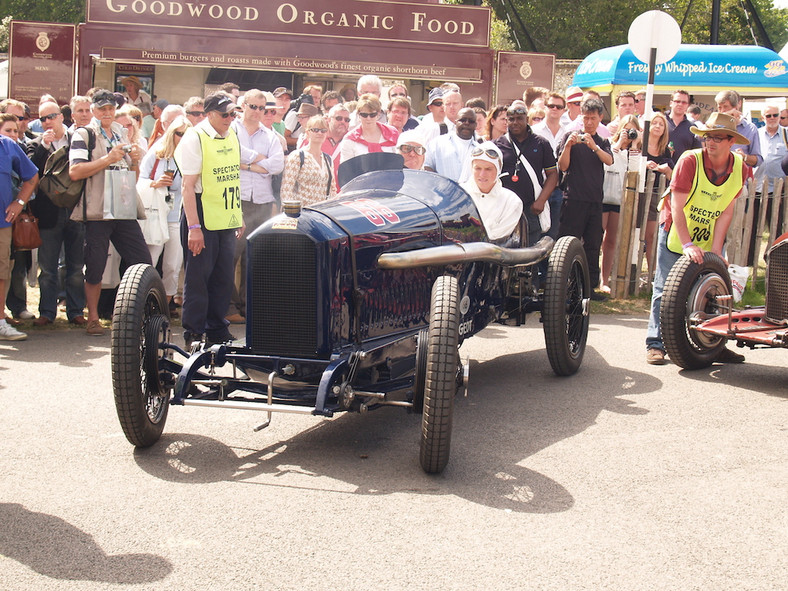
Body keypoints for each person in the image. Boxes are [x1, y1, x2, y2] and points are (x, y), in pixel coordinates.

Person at [645, 112, 752, 365]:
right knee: (665, 289)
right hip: (676, 228)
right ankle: (656, 344)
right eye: (707, 137)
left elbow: (726, 210)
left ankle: (714, 342)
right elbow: (677, 205)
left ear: (731, 141)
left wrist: (715, 253)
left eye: (717, 137)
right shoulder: (689, 161)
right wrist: (687, 244)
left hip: (708, 228)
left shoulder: (740, 168)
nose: (710, 142)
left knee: (713, 291)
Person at [68, 89, 152, 336]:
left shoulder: (119, 131)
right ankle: (93, 318)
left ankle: (139, 314)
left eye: (110, 108)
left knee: (142, 260)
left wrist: (134, 160)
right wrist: (107, 159)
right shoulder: (84, 134)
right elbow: (75, 171)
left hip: (123, 208)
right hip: (97, 210)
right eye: (102, 108)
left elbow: (131, 175)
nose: (107, 113)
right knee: (95, 266)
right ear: (93, 109)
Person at [175, 92, 250, 348]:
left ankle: (217, 328)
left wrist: (237, 214)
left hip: (225, 215)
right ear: (209, 114)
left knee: (223, 276)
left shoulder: (232, 134)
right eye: (224, 114)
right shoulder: (194, 137)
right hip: (201, 215)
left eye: (232, 114)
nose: (230, 118)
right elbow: (188, 187)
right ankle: (194, 332)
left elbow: (232, 178)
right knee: (198, 277)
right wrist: (194, 228)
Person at [226, 89, 285, 324]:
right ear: (243, 106)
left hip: (261, 201)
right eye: (254, 107)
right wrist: (260, 158)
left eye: (263, 108)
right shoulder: (231, 130)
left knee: (255, 258)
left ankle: (249, 308)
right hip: (236, 200)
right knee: (230, 256)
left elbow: (278, 164)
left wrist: (246, 165)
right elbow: (231, 153)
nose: (258, 112)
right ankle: (228, 307)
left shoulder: (270, 135)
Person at [27, 102, 88, 327]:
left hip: (75, 210)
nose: (47, 122)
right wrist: (44, 146)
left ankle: (75, 311)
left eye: (51, 116)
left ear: (62, 117)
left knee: (75, 267)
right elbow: (30, 171)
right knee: (48, 268)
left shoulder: (78, 140)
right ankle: (47, 312)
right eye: (42, 119)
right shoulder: (37, 144)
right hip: (49, 212)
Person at [556, 98, 614, 296]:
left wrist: (594, 147)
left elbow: (609, 160)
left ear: (600, 118)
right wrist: (569, 146)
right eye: (586, 118)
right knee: (566, 243)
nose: (589, 122)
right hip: (572, 199)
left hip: (595, 201)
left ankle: (589, 289)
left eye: (593, 118)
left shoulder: (602, 141)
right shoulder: (569, 137)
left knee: (592, 245)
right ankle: (562, 285)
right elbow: (563, 166)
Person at [139, 116, 191, 317]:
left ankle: (164, 307)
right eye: (179, 133)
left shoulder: (190, 155)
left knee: (172, 265)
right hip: (156, 214)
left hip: (177, 216)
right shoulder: (157, 153)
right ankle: (143, 304)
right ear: (171, 134)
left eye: (187, 134)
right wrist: (155, 183)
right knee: (150, 261)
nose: (183, 138)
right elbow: (141, 179)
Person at [495, 104, 557, 248]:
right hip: (505, 209)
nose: (515, 122)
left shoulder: (541, 143)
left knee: (530, 256)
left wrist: (541, 201)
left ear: (527, 119)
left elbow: (553, 175)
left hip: (531, 209)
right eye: (511, 119)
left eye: (519, 119)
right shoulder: (497, 145)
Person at [0, 118, 38, 340]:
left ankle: (0, 323)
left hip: (2, 223)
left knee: (1, 273)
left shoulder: (8, 145)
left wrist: (19, 202)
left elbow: (32, 176)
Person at [599, 115, 641, 294]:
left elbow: (635, 172)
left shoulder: (635, 151)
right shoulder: (608, 144)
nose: (629, 134)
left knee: (611, 240)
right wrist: (618, 144)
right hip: (602, 197)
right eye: (626, 129)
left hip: (619, 200)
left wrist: (633, 146)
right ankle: (592, 276)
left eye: (633, 130)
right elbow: (607, 164)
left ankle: (604, 279)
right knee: (595, 238)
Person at [460, 142, 523, 241]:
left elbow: (494, 238)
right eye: (478, 168)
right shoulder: (457, 195)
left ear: (498, 170)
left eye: (488, 169)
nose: (482, 174)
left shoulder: (511, 201)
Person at [642, 111, 674, 280]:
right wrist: (644, 164)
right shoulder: (640, 145)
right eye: (654, 123)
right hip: (638, 194)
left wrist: (664, 168)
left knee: (651, 235)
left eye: (661, 124)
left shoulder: (665, 151)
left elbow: (671, 175)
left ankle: (653, 272)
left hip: (656, 195)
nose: (657, 126)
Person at [281, 115, 336, 206]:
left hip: (321, 214)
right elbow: (286, 190)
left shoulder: (328, 159)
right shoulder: (297, 157)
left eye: (323, 131)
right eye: (315, 130)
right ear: (307, 132)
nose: (319, 133)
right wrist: (291, 215)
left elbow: (332, 190)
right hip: (301, 214)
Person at [338, 94, 398, 165]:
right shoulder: (350, 139)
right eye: (364, 115)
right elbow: (346, 170)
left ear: (378, 114)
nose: (368, 119)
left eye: (372, 115)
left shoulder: (392, 133)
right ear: (358, 115)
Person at [667, 89, 702, 162]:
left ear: (688, 106)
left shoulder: (692, 127)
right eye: (677, 101)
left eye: (684, 102)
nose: (680, 104)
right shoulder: (660, 123)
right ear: (671, 103)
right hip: (661, 169)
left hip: (683, 170)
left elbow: (697, 153)